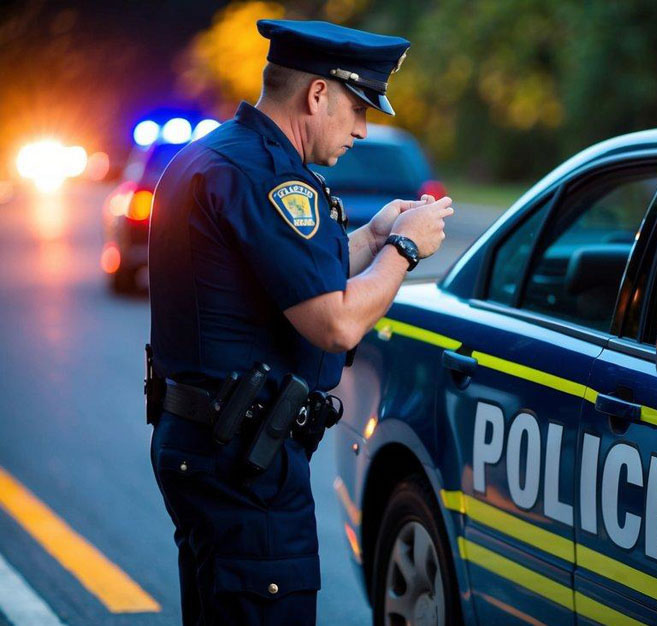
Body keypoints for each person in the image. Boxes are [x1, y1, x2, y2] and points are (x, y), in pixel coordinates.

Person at [146, 19, 451, 625]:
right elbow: (336, 324)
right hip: (242, 467)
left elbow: (285, 277)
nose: (362, 130)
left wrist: (372, 236)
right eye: (358, 108)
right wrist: (405, 250)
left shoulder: (219, 154)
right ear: (317, 95)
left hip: (208, 449)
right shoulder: (269, 177)